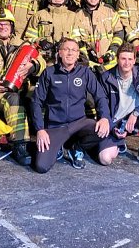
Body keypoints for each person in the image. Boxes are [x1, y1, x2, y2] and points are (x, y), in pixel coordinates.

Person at [0, 9, 46, 165]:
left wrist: (32, 67)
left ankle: (47, 138)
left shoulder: (23, 45)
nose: (3, 27)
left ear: (12, 27)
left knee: (43, 96)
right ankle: (20, 146)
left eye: (6, 24)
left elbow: (43, 64)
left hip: (24, 88)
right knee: (14, 100)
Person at [30, 38, 111, 173]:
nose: (70, 53)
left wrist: (104, 117)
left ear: (78, 54)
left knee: (104, 131)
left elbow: (100, 96)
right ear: (60, 53)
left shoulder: (85, 73)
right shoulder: (49, 73)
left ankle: (76, 147)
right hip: (56, 127)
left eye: (73, 50)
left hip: (79, 123)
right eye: (66, 49)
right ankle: (59, 147)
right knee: (41, 166)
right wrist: (40, 129)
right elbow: (36, 102)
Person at [98, 43, 139, 167]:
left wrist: (136, 113)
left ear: (134, 60)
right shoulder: (106, 77)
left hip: (136, 119)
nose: (127, 63)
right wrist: (113, 128)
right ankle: (119, 143)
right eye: (123, 59)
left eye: (130, 59)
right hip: (116, 123)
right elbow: (102, 105)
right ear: (117, 59)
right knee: (105, 159)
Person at [72, 0, 125, 73]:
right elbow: (76, 39)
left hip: (111, 64)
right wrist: (86, 55)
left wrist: (112, 51)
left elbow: (119, 33)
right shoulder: (77, 15)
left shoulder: (110, 11)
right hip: (89, 65)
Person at [24, 0, 77, 64]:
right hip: (44, 60)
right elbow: (28, 38)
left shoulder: (73, 16)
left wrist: (66, 43)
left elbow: (78, 39)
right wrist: (40, 41)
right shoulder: (39, 15)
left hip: (66, 60)